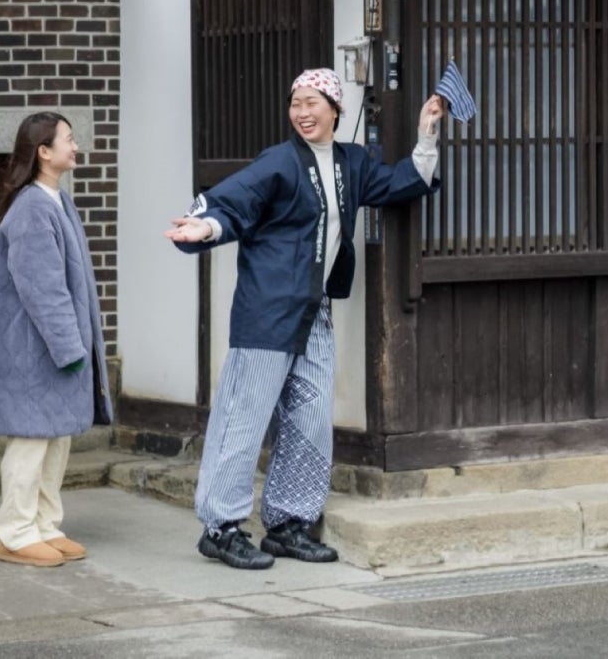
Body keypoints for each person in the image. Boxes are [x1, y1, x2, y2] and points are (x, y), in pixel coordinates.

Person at [167, 69, 444, 570]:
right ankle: (221, 527)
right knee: (243, 419)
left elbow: (403, 181)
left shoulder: (351, 163)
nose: (303, 111)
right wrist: (204, 225)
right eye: (296, 101)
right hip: (266, 313)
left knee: (311, 421)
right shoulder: (277, 162)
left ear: (335, 110)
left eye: (313, 101)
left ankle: (288, 522)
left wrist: (427, 133)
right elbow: (234, 203)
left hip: (314, 314)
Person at [0, 111, 112, 568]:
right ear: (43, 151)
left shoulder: (56, 200)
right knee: (31, 441)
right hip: (32, 350)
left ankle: (43, 525)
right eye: (68, 140)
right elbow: (43, 290)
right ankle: (15, 532)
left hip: (53, 350)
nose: (75, 147)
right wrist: (69, 348)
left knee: (55, 438)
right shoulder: (33, 208)